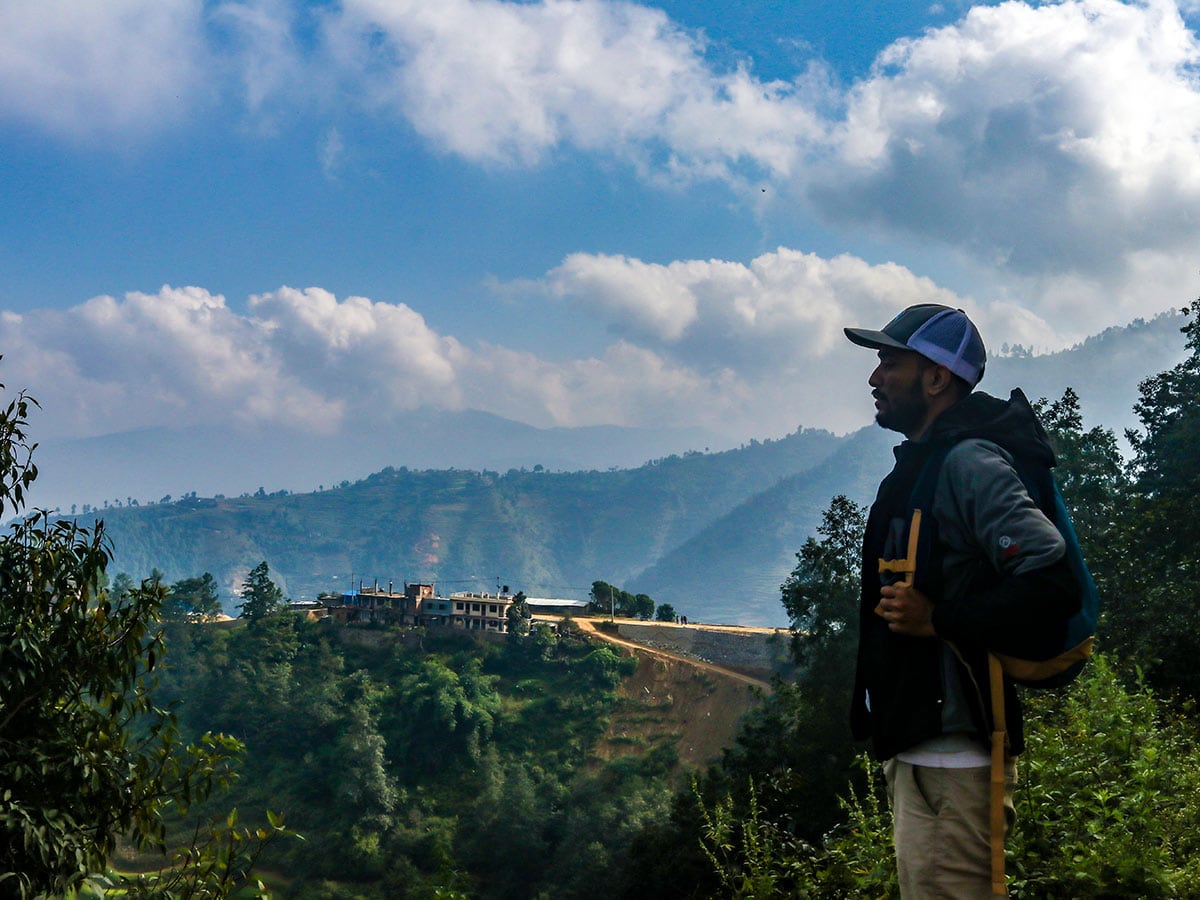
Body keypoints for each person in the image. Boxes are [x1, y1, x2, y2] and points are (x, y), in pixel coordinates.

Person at [843, 303, 1082, 898]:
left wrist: (939, 619)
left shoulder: (969, 462)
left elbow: (1052, 580)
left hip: (956, 763)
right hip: (924, 753)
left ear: (935, 378)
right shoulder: (926, 462)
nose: (875, 378)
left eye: (889, 362)